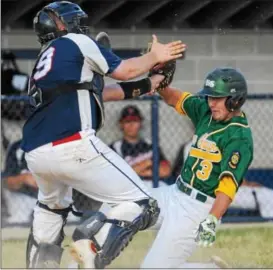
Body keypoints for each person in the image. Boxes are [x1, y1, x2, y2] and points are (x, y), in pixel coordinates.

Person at [22, 1, 186, 269]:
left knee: (51, 209)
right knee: (143, 204)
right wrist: (157, 55)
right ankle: (84, 253)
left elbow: (106, 92)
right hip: (73, 145)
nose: (81, 26)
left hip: (37, 155)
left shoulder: (46, 63)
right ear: (63, 24)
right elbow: (126, 70)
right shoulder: (76, 41)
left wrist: (152, 84)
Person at [140, 67, 253, 268]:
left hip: (197, 209)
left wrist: (212, 219)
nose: (211, 102)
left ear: (235, 100)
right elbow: (174, 98)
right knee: (128, 207)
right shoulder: (206, 111)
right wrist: (157, 79)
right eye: (210, 97)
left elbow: (228, 185)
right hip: (175, 193)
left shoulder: (240, 137)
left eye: (218, 98)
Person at [173, 141, 273, 219]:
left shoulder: (191, 145)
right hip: (220, 192)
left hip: (212, 192)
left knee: (268, 194)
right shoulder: (218, 144)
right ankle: (271, 224)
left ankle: (270, 224)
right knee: (269, 195)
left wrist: (246, 183)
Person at [110, 105, 171, 188]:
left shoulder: (150, 145)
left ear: (140, 123)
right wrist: (148, 162)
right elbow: (118, 176)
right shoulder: (115, 147)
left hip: (153, 185)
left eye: (135, 121)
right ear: (121, 124)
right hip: (130, 188)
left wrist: (137, 170)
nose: (131, 125)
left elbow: (166, 170)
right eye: (127, 121)